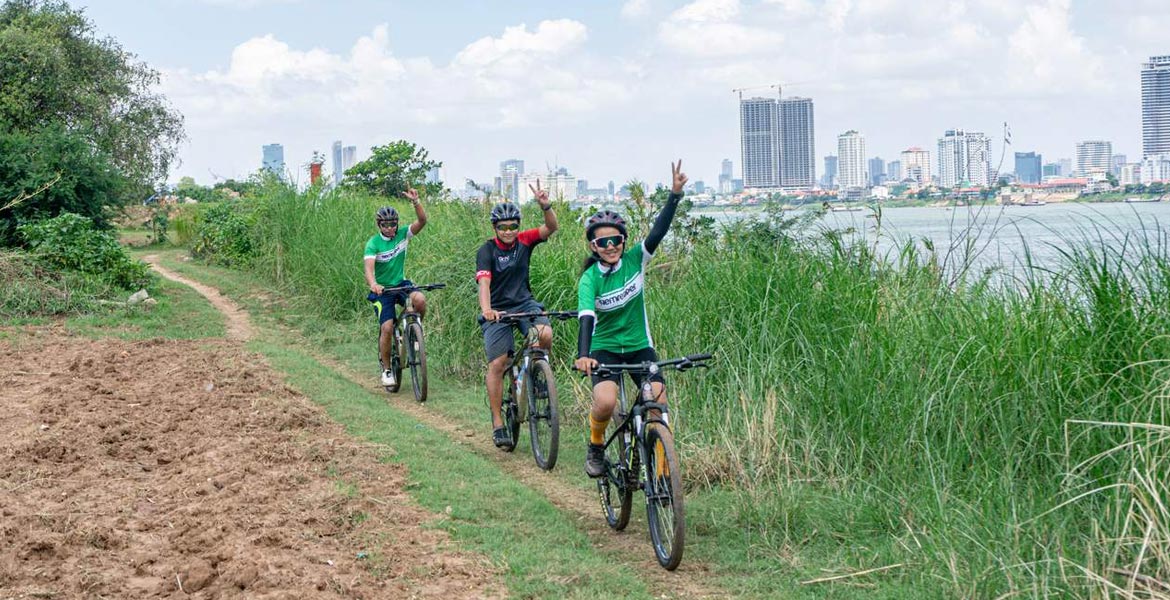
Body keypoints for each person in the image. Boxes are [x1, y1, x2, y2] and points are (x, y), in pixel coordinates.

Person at [574, 160, 687, 477]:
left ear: (623, 241)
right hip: (605, 348)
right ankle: (596, 445)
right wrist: (584, 355)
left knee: (657, 401)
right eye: (602, 243)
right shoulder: (590, 279)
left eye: (616, 240)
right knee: (606, 402)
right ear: (594, 247)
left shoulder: (636, 259)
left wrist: (674, 195)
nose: (610, 247)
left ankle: (664, 476)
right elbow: (586, 317)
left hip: (639, 346)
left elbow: (659, 231)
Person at [477, 181, 559, 448]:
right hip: (497, 311)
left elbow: (551, 227)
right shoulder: (487, 250)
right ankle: (498, 423)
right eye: (503, 227)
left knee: (544, 334)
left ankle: (535, 375)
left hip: (525, 303)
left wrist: (545, 204)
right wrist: (487, 310)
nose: (509, 231)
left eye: (513, 226)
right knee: (498, 364)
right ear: (495, 229)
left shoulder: (525, 241)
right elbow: (485, 284)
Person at [364, 187, 427, 387]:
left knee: (420, 300)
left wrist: (416, 202)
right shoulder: (373, 244)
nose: (390, 228)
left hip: (401, 284)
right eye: (386, 225)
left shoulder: (402, 234)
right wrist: (374, 284)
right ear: (379, 225)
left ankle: (415, 332)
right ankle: (387, 368)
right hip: (383, 291)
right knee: (387, 327)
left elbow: (422, 221)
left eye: (393, 224)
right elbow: (369, 269)